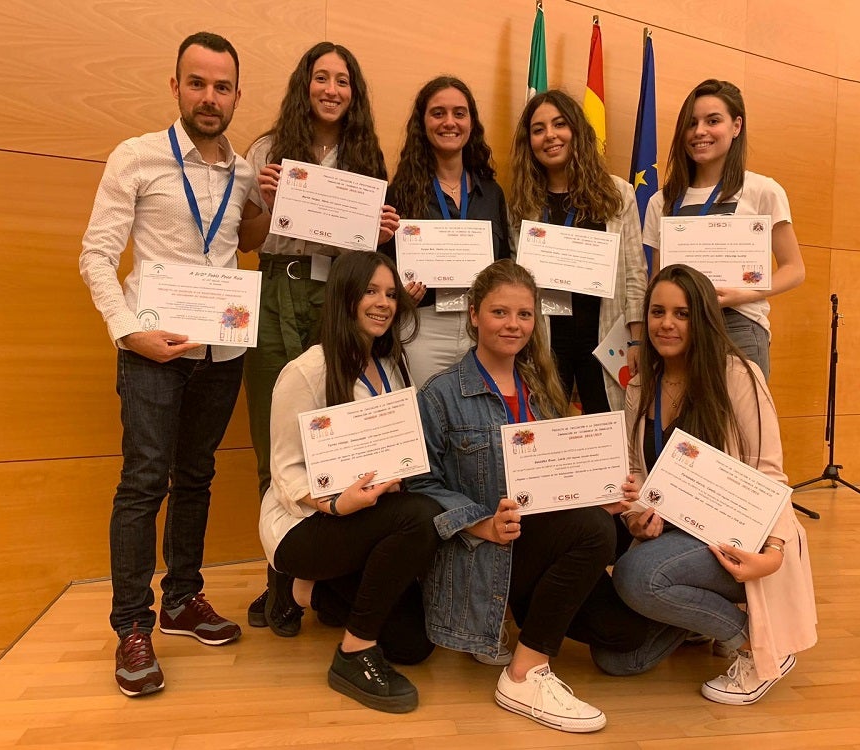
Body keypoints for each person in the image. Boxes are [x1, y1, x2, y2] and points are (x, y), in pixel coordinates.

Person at [408, 259, 683, 733]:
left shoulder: (542, 388)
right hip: (485, 553)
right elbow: (419, 488)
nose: (512, 325)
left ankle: (700, 620)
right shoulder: (440, 395)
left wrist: (603, 490)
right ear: (473, 315)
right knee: (595, 531)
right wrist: (479, 522)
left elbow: (562, 473)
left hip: (540, 548)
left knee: (626, 635)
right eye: (499, 312)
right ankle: (525, 673)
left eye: (524, 314)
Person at [79, 32, 257, 697]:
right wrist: (128, 333)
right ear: (175, 85)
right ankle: (132, 625)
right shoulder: (138, 157)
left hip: (223, 350)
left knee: (198, 475)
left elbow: (253, 241)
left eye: (221, 86)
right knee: (144, 480)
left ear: (236, 95)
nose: (209, 97)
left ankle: (183, 598)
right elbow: (96, 256)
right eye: (197, 83)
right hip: (153, 351)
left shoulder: (244, 175)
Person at [237, 42, 399, 637]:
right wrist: (269, 200)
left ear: (353, 93)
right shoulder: (266, 147)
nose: (332, 89)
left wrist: (383, 234)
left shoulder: (366, 155)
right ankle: (280, 577)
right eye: (321, 78)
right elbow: (249, 238)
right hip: (277, 294)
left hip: (338, 300)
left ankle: (327, 575)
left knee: (340, 438)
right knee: (272, 435)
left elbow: (368, 254)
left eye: (343, 81)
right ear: (304, 84)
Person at [610, 264, 817, 704]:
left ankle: (760, 646)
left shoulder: (738, 375)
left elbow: (770, 473)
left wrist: (774, 554)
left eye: (682, 314)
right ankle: (699, 620)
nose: (667, 324)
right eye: (658, 311)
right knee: (617, 661)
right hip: (673, 536)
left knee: (636, 575)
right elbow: (637, 475)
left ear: (703, 317)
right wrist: (635, 520)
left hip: (744, 543)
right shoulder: (642, 386)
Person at [258, 251, 441, 713]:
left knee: (413, 645)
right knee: (420, 518)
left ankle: (303, 590)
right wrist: (337, 504)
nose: (383, 303)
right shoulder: (307, 370)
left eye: (391, 294)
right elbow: (284, 472)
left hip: (368, 517)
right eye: (371, 291)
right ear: (345, 296)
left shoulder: (393, 365)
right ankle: (352, 654)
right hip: (304, 524)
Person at [643, 79, 805, 381]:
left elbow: (794, 269)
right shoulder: (661, 201)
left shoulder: (762, 190)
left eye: (713, 121)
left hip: (737, 328)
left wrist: (739, 294)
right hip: (677, 332)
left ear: (736, 126)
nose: (700, 131)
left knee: (740, 428)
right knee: (682, 427)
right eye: (691, 123)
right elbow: (656, 278)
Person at [509, 89, 647, 413]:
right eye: (538, 129)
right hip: (545, 340)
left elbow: (635, 273)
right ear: (529, 141)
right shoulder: (522, 204)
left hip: (605, 338)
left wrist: (638, 340)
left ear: (577, 130)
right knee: (546, 434)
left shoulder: (617, 194)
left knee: (612, 435)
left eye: (559, 124)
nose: (550, 136)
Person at [382, 76, 512, 384]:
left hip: (480, 328)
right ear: (423, 122)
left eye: (459, 113)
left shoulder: (492, 194)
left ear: (471, 122)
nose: (449, 122)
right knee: (425, 419)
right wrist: (401, 295)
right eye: (438, 113)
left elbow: (504, 266)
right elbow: (382, 268)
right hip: (422, 327)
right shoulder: (399, 193)